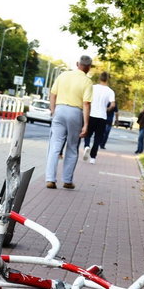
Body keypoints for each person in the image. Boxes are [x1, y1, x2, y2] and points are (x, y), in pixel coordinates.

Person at [44, 55, 93, 189]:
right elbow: (86, 104)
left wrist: (53, 111)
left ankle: (50, 179)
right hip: (75, 113)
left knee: (55, 146)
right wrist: (86, 125)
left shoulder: (63, 75)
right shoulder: (87, 82)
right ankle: (67, 180)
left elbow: (53, 94)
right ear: (89, 67)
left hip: (59, 110)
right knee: (72, 147)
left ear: (77, 64)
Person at [82, 71, 115, 164]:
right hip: (102, 117)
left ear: (100, 78)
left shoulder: (93, 87)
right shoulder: (110, 91)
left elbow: (86, 100)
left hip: (91, 114)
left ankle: (86, 146)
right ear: (108, 79)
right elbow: (113, 105)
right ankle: (93, 158)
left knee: (87, 134)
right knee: (98, 138)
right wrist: (107, 109)